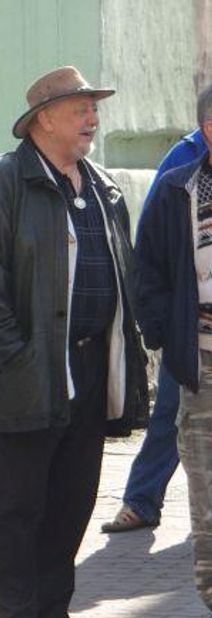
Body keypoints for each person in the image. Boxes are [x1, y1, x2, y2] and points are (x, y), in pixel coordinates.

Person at [0, 66, 148, 618]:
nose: (92, 118)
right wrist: (14, 357)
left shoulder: (104, 188)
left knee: (72, 499)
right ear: (43, 119)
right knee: (17, 507)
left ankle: (51, 616)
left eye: (93, 108)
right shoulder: (0, 182)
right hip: (27, 371)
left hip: (89, 371)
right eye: (80, 108)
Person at [133, 85, 212, 618]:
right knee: (207, 495)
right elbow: (149, 273)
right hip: (203, 372)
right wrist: (171, 340)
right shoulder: (176, 190)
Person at [102, 127, 208, 534]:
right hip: (191, 323)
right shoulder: (186, 156)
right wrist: (159, 325)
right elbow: (151, 245)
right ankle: (142, 501)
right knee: (170, 412)